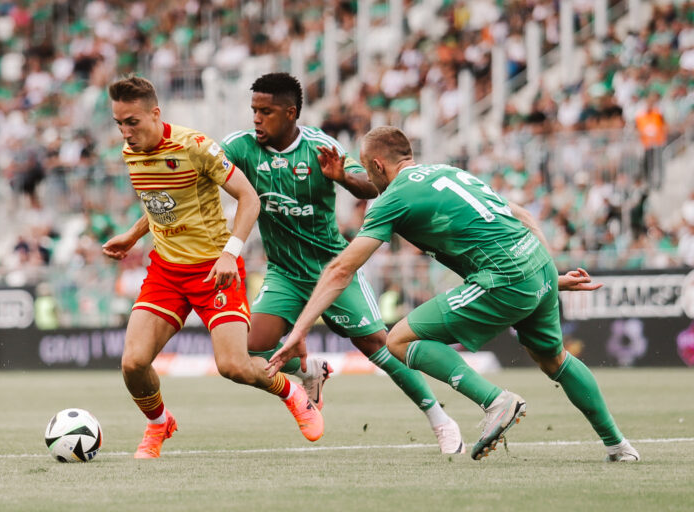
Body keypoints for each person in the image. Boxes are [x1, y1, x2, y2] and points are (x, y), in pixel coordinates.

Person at [268, 126, 640, 463]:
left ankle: (496, 402)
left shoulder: (391, 199)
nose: (367, 178)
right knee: (554, 359)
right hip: (537, 263)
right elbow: (522, 215)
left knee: (398, 340)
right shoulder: (448, 172)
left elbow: (340, 269)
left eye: (366, 170)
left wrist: (299, 330)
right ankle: (618, 445)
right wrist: (551, 276)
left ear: (378, 165)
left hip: (504, 278)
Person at [221, 72, 464, 453]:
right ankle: (307, 372)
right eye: (253, 110)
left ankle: (440, 419)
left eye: (265, 111)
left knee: (379, 345)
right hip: (284, 272)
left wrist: (343, 179)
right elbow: (203, 167)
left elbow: (373, 185)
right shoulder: (240, 147)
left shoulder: (320, 147)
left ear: (291, 113)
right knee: (252, 350)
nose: (255, 119)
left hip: (333, 269)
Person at [102, 76, 323, 459]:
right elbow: (160, 199)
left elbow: (249, 199)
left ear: (156, 113)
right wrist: (133, 234)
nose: (125, 132)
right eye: (118, 123)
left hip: (214, 269)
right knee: (133, 363)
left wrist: (229, 253)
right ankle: (159, 425)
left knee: (234, 367)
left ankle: (292, 391)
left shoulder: (196, 146)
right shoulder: (130, 151)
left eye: (132, 122)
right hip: (167, 271)